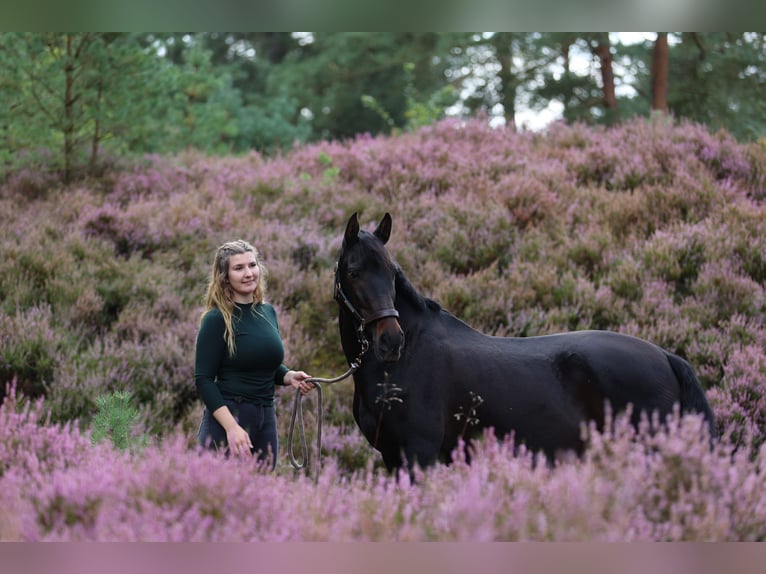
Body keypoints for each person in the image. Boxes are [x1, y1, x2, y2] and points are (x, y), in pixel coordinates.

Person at [194, 239, 314, 468]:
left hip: (266, 417)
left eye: (252, 265)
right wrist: (231, 427)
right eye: (239, 268)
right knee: (220, 497)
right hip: (230, 417)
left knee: (259, 496)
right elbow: (204, 379)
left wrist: (289, 376)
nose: (248, 273)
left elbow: (265, 363)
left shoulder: (267, 312)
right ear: (224, 277)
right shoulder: (216, 319)